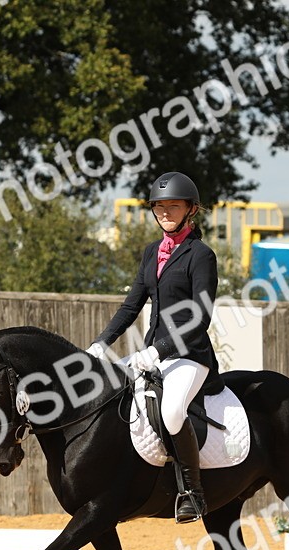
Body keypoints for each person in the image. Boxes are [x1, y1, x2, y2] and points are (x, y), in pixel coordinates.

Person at [87, 171, 220, 523]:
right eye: (159, 206)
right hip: (151, 352)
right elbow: (132, 305)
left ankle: (193, 492)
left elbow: (199, 318)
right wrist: (102, 343)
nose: (164, 212)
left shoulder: (201, 255)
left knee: (173, 411)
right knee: (107, 392)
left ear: (191, 210)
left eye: (173, 206)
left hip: (190, 355)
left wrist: (159, 350)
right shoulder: (151, 253)